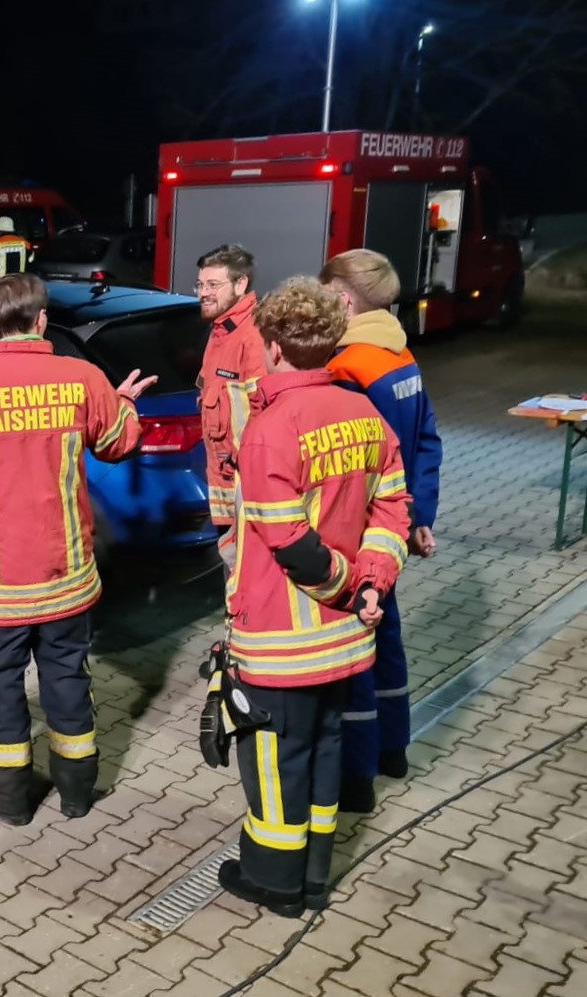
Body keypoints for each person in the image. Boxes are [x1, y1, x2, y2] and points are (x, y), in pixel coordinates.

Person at [0, 273, 158, 823]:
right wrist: (121, 403)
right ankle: (76, 792)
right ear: (42, 321)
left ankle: (6, 797)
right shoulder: (81, 378)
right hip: (67, 573)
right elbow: (119, 443)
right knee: (67, 674)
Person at [216, 276, 411, 917]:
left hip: (283, 639)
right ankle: (315, 876)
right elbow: (392, 511)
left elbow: (291, 544)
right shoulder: (366, 415)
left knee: (273, 760)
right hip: (348, 640)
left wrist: (347, 586)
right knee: (326, 752)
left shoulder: (272, 429)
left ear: (272, 346)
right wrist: (374, 585)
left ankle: (273, 883)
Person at [322, 249, 442, 812]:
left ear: (344, 300)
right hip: (394, 528)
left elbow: (343, 465)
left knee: (352, 658)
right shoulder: (401, 355)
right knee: (388, 643)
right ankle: (394, 750)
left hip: (356, 535)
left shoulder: (349, 368)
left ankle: (356, 778)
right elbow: (425, 445)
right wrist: (419, 519)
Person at [196, 244, 268, 571]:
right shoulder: (221, 331)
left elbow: (264, 416)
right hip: (226, 492)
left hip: (249, 494)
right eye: (200, 285)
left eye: (213, 285)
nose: (203, 293)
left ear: (241, 285)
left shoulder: (252, 336)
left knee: (243, 582)